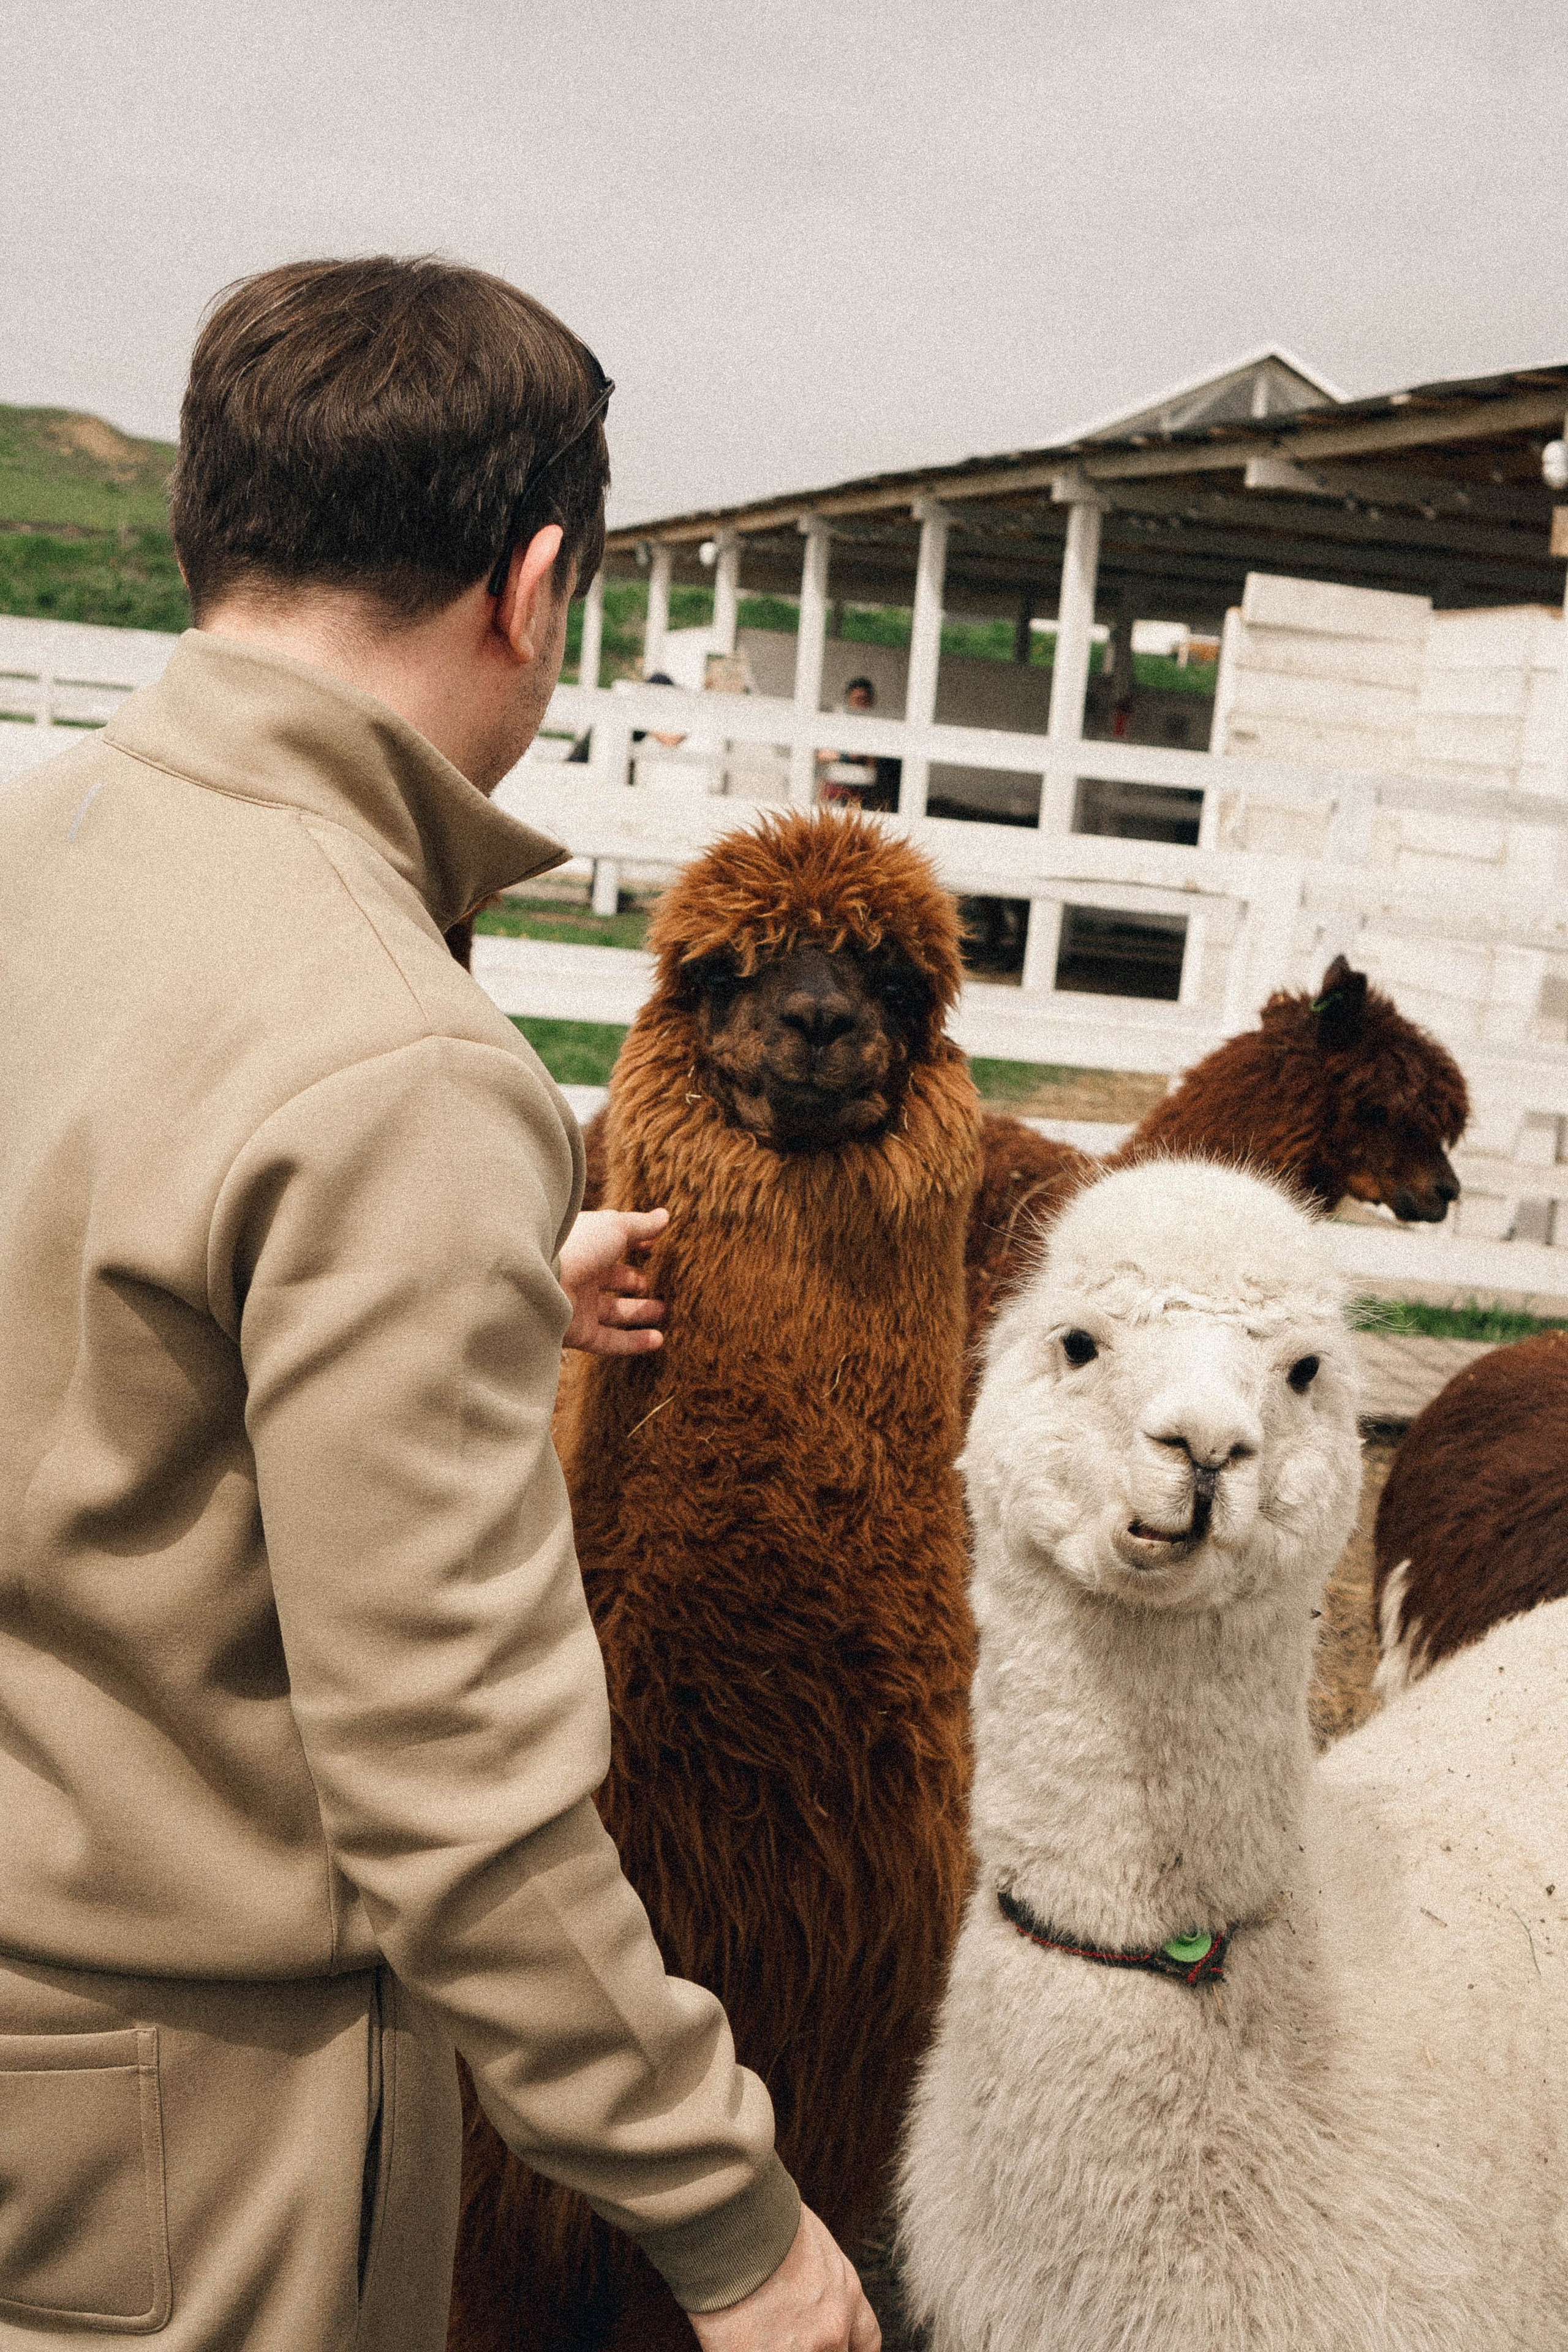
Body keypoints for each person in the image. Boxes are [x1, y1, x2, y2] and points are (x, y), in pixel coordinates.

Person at [0, 257, 878, 2352]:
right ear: (536, 581)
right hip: (201, 2123)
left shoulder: (43, 857)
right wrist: (734, 2226)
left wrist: (436, 1301)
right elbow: (447, 1784)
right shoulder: (392, 1050)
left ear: (213, 525)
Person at [816, 676, 900, 812]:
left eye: (864, 700)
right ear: (849, 700)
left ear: (871, 701)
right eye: (857, 699)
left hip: (864, 796)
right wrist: (847, 756)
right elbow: (821, 755)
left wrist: (867, 754)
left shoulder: (877, 728)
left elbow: (875, 764)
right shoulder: (837, 725)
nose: (860, 704)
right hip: (836, 794)